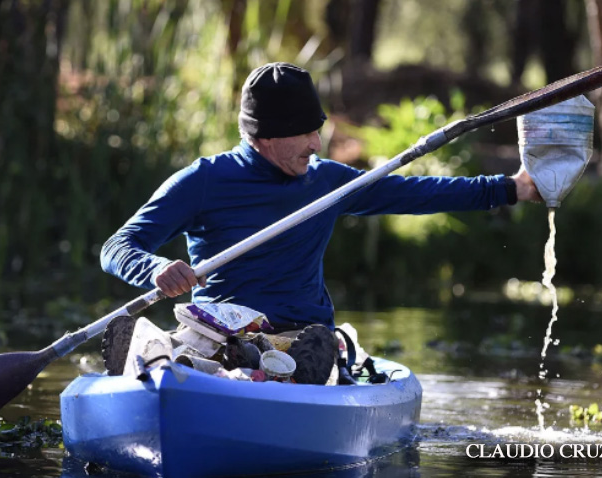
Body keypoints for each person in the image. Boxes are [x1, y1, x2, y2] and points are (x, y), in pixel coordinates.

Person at [100, 62, 540, 384]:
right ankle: (161, 359)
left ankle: (283, 370)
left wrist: (510, 188)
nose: (317, 143)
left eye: (318, 129)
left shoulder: (327, 182)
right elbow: (117, 247)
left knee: (296, 352)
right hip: (217, 329)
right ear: (265, 136)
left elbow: (417, 193)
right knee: (212, 349)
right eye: (306, 132)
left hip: (300, 335)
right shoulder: (204, 181)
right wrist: (154, 269)